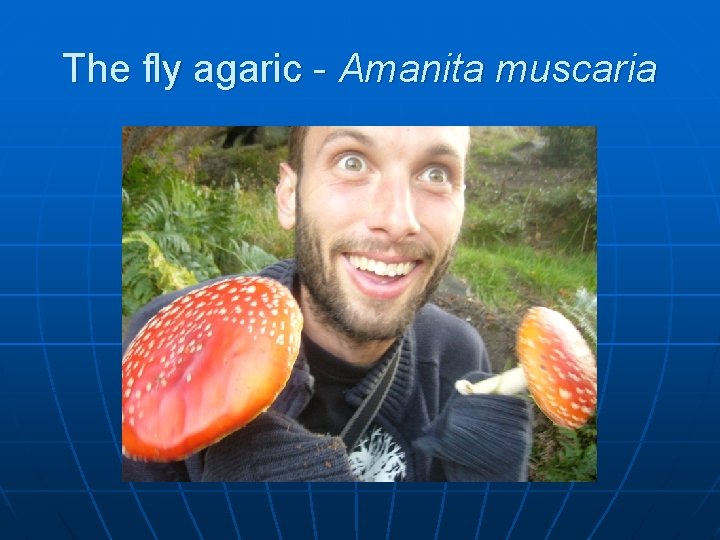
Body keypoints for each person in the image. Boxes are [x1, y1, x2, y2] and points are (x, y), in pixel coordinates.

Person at [122, 126, 532, 482]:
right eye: (352, 162)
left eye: (436, 174)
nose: (397, 219)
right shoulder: (170, 339)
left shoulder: (457, 355)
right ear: (288, 195)